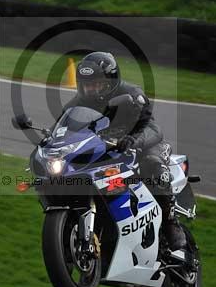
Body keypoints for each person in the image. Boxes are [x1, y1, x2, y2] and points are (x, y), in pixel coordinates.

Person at [61, 51, 187, 257]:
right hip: (110, 148)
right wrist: (49, 141)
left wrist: (132, 140)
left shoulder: (131, 93)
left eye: (96, 83)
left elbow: (152, 128)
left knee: (153, 164)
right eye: (86, 84)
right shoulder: (78, 103)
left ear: (110, 81)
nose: (90, 88)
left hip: (145, 143)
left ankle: (171, 223)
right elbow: (63, 128)